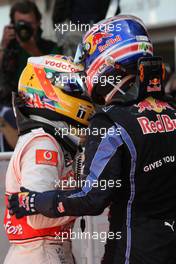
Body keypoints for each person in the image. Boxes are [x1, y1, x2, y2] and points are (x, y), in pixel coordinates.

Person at [8, 15, 176, 264]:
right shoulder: (172, 110)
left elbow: (91, 197)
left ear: (107, 58)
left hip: (134, 253)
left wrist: (34, 200)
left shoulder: (112, 122)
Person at [4, 54, 94, 264]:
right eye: (73, 86)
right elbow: (37, 217)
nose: (82, 94)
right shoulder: (44, 143)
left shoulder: (49, 139)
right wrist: (90, 199)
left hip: (46, 251)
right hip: (40, 253)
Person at [0, 0, 61, 106]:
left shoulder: (50, 47)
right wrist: (3, 46)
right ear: (13, 24)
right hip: (9, 103)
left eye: (29, 24)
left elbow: (55, 78)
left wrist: (32, 50)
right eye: (20, 24)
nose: (24, 29)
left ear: (38, 23)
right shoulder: (9, 45)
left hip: (41, 103)